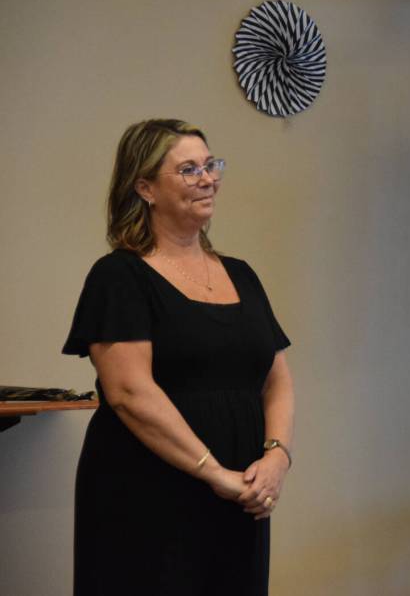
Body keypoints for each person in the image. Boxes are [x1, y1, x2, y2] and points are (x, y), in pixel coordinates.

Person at [62, 119, 295, 596]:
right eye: (188, 170)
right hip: (148, 491)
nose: (207, 178)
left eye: (211, 165)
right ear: (145, 187)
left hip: (240, 495)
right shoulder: (119, 277)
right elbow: (129, 393)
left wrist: (276, 459)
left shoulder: (241, 274)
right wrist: (214, 473)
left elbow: (277, 380)